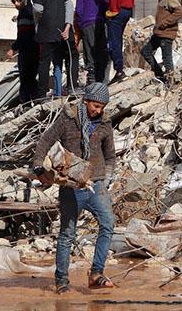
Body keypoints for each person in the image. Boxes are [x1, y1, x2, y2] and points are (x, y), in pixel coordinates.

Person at [33, 82, 117, 294]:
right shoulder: (68, 118)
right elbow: (45, 141)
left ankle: (96, 273)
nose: (98, 110)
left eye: (102, 107)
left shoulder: (105, 123)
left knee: (107, 224)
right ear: (86, 101)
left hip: (96, 184)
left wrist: (106, 178)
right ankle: (61, 280)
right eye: (95, 106)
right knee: (67, 234)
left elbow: (110, 156)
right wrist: (38, 167)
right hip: (71, 185)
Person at [30, 0, 77, 96]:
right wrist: (67, 27)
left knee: (44, 62)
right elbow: (69, 6)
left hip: (46, 32)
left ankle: (41, 94)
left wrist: (37, 24)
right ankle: (72, 87)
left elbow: (38, 9)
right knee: (71, 57)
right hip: (64, 31)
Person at [141, 0, 182, 84]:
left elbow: (180, 11)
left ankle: (171, 83)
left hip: (166, 34)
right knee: (146, 51)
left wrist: (165, 23)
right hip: (159, 33)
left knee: (167, 59)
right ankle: (160, 76)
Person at [104, 0, 135, 84]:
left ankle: (119, 71)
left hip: (118, 11)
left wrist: (111, 12)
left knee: (113, 43)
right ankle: (119, 69)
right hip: (126, 11)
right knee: (117, 41)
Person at [76, 0, 109, 84]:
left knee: (89, 53)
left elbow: (79, 10)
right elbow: (106, 8)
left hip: (87, 25)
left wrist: (81, 25)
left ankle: (92, 81)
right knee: (101, 52)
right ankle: (102, 82)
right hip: (101, 24)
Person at [9, 0, 41, 102]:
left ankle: (27, 101)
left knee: (26, 77)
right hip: (32, 49)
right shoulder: (28, 12)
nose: (16, 4)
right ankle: (34, 99)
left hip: (29, 51)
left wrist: (13, 48)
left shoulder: (26, 13)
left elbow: (23, 35)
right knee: (30, 77)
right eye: (14, 1)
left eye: (18, 1)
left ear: (24, 0)